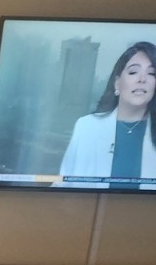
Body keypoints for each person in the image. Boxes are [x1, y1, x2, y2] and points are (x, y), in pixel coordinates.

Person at [57, 41, 156, 189]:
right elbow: (62, 187)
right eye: (133, 72)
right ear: (117, 84)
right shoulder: (87, 127)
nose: (142, 79)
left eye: (151, 73)